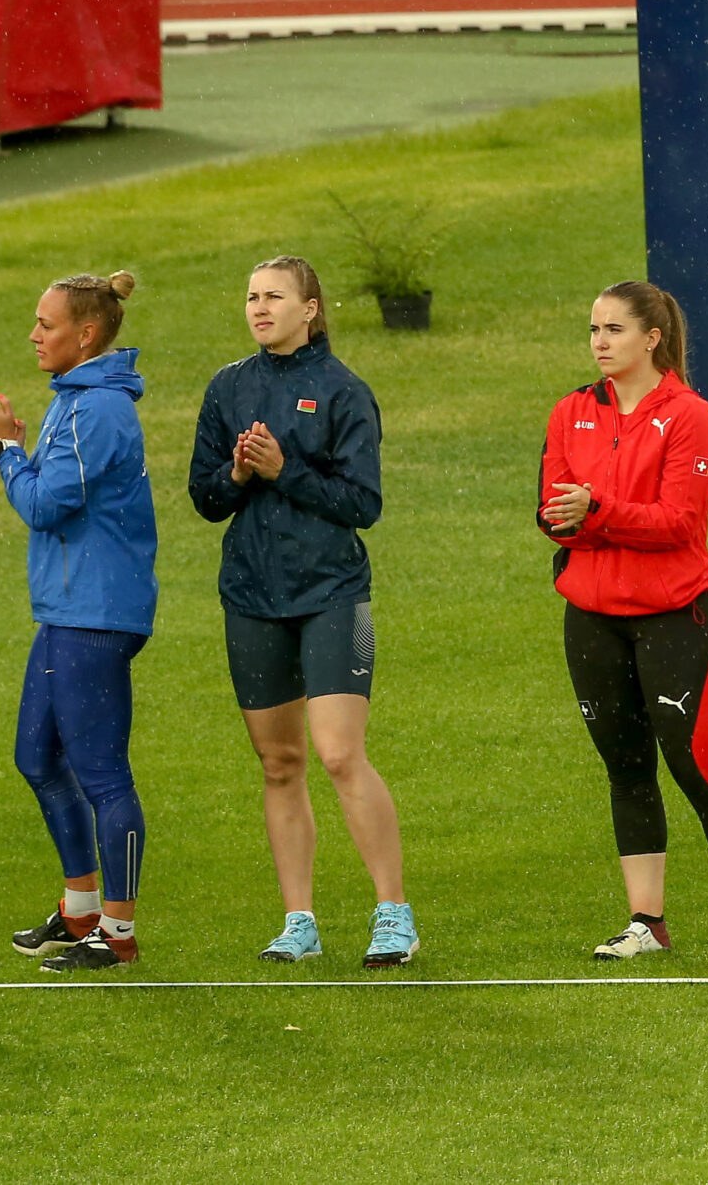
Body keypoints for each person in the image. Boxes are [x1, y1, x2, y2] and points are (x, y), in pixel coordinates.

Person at [538, 280, 708, 962]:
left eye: (613, 329)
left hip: (676, 618)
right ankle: (646, 922)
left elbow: (678, 523)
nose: (599, 342)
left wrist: (596, 512)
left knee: (697, 766)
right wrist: (585, 517)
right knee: (625, 769)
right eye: (594, 329)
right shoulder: (570, 412)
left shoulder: (689, 415)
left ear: (652, 338)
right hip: (591, 620)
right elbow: (551, 512)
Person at [188, 255, 418, 968]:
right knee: (279, 761)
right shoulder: (228, 387)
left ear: (310, 309)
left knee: (340, 753)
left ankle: (394, 916)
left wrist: (284, 470)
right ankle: (299, 923)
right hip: (251, 596)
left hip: (332, 594)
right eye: (251, 296)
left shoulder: (344, 390)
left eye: (274, 296)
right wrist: (236, 473)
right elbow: (204, 497)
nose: (259, 307)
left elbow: (363, 504)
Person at [0, 271, 158, 973]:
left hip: (94, 614)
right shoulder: (76, 402)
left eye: (46, 325)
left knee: (103, 773)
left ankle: (118, 931)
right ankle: (80, 911)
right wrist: (19, 450)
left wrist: (3, 449)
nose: (34, 335)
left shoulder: (96, 409)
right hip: (69, 610)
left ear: (87, 334)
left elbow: (44, 506)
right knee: (38, 757)